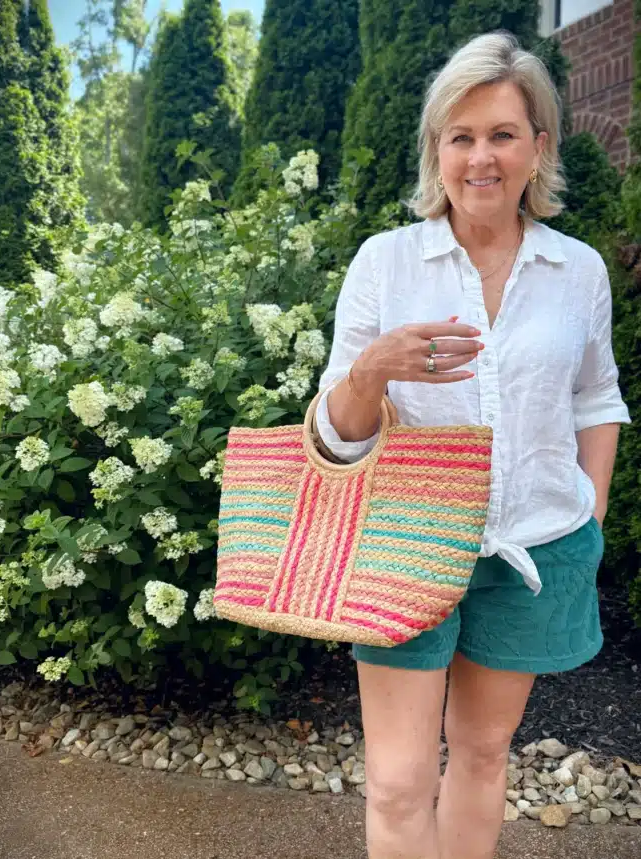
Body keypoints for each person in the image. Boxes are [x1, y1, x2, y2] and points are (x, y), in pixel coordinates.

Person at [311, 30, 631, 859]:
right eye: (461, 136)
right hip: (406, 543)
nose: (480, 158)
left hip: (532, 546)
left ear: (539, 148)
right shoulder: (387, 264)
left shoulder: (579, 271)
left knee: (486, 754)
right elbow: (333, 437)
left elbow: (597, 395)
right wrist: (372, 371)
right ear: (436, 151)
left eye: (502, 134)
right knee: (397, 778)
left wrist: (589, 506)